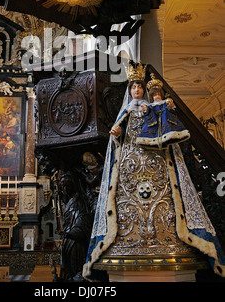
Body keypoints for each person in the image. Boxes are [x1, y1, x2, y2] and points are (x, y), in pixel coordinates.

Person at [83, 62, 225, 280]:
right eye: (134, 87)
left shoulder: (152, 108)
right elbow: (119, 136)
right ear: (129, 91)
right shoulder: (127, 111)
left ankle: (170, 239)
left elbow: (164, 129)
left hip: (155, 161)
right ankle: (126, 242)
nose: (137, 90)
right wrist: (116, 132)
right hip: (130, 164)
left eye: (140, 87)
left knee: (166, 197)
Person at [136, 73, 190, 148]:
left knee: (167, 127)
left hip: (165, 119)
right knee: (150, 131)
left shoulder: (165, 102)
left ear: (161, 95)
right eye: (155, 95)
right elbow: (148, 113)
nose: (157, 96)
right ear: (152, 96)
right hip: (155, 122)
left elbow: (172, 111)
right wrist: (146, 110)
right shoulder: (151, 106)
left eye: (158, 94)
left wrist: (170, 107)